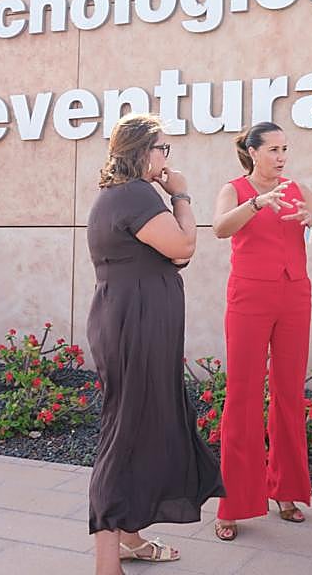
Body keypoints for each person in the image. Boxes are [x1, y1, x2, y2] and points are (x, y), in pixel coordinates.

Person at [86, 113, 224, 575]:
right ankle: (107, 563)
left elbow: (166, 256)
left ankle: (130, 539)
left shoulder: (121, 195)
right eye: (164, 148)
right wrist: (180, 194)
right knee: (125, 435)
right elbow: (184, 246)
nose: (167, 158)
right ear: (143, 151)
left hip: (133, 322)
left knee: (141, 427)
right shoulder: (136, 194)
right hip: (137, 326)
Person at [211, 121, 312, 541]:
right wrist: (257, 204)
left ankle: (286, 490)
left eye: (285, 149)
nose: (282, 157)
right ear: (252, 152)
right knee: (243, 395)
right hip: (248, 298)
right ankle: (233, 503)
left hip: (294, 297)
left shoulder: (299, 189)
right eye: (273, 150)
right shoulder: (234, 189)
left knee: (289, 393)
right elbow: (220, 228)